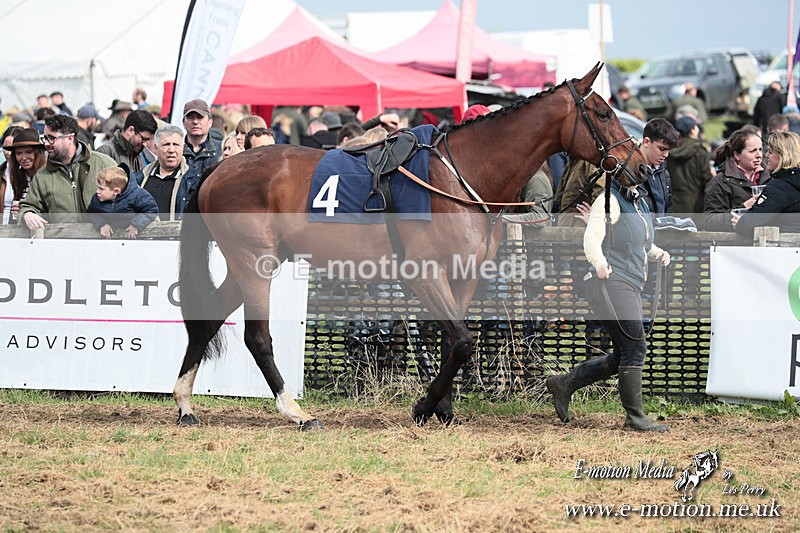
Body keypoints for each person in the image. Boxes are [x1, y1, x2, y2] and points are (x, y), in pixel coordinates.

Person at [546, 178, 671, 432]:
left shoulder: (638, 202)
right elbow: (592, 236)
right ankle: (635, 419)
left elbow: (641, 243)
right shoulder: (610, 199)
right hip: (611, 281)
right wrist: (599, 262)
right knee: (635, 347)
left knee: (625, 352)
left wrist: (658, 252)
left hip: (629, 282)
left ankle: (564, 383)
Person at [19, 114, 116, 227]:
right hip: (60, 242)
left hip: (102, 240)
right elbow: (28, 206)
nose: (46, 143)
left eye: (51, 138)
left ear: (70, 138)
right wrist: (27, 214)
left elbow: (128, 195)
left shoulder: (104, 164)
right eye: (45, 138)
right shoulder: (42, 175)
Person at [703, 128, 770, 231]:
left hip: (767, 241)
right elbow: (710, 221)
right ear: (737, 155)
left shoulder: (771, 176)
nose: (759, 155)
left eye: (760, 149)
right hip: (734, 244)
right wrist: (743, 207)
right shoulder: (719, 182)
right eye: (752, 151)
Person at [734, 131, 800, 235]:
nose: (766, 155)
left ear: (782, 155)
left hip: (783, 249)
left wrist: (739, 222)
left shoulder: (778, 188)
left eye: (770, 151)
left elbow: (746, 225)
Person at [137, 124, 195, 220]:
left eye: (176, 145)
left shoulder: (193, 181)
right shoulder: (140, 179)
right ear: (156, 147)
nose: (171, 150)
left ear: (183, 147)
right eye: (166, 144)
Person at [87, 166, 158, 239]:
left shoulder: (138, 196)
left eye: (101, 189)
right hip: (112, 240)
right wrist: (102, 224)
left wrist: (136, 224)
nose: (97, 191)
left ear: (116, 191)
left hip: (136, 239)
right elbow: (92, 213)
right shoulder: (97, 199)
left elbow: (151, 210)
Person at [666, 116, 712, 215]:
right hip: (696, 204)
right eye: (696, 126)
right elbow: (707, 179)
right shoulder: (700, 151)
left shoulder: (669, 151)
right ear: (692, 130)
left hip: (673, 203)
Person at [95, 109, 157, 173]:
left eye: (147, 140)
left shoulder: (138, 157)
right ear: (130, 131)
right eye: (143, 139)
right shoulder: (105, 152)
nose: (145, 144)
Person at [5, 128, 47, 223]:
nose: (23, 158)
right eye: (19, 153)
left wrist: (25, 211)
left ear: (38, 153)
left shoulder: (48, 176)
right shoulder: (18, 175)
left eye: (29, 152)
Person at [639, 118, 679, 217]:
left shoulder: (664, 172)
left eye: (669, 150)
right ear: (647, 142)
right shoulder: (628, 172)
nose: (666, 155)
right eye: (662, 149)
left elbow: (668, 210)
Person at [181, 99, 221, 180]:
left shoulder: (222, 150)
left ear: (210, 122)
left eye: (200, 117)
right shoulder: (176, 150)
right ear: (183, 123)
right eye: (190, 117)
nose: (195, 121)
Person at [0, 126, 22, 223]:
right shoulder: (2, 172)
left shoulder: (32, 174)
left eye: (12, 149)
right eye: (5, 148)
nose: (8, 153)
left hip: (21, 231)